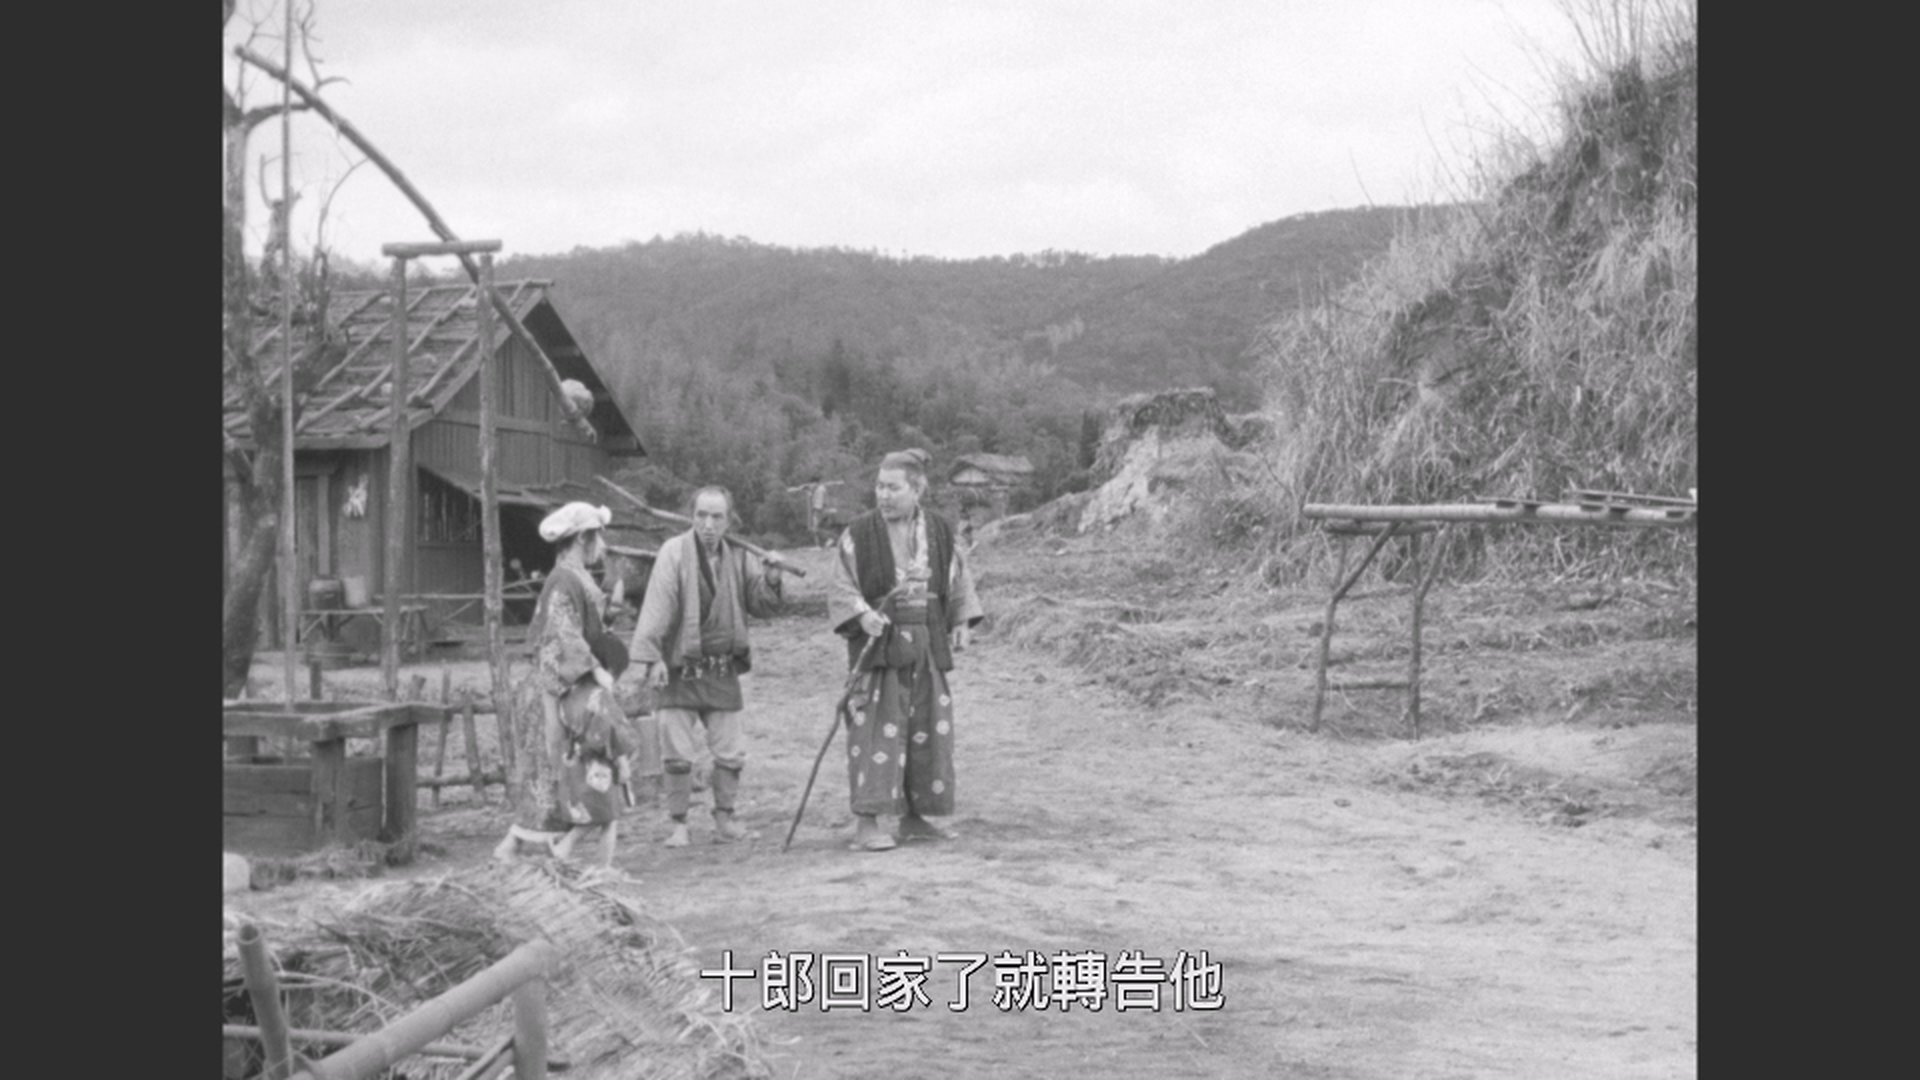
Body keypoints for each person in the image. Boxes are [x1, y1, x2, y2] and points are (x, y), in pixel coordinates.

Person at [827, 449, 984, 852]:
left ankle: (914, 818)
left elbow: (958, 577)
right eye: (879, 487)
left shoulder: (939, 530)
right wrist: (862, 617)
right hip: (880, 642)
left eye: (893, 488)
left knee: (926, 729)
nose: (883, 495)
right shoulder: (858, 534)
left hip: (927, 641)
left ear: (917, 489)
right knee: (875, 728)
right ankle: (867, 823)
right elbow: (841, 586)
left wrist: (961, 621)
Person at [629, 486, 789, 847]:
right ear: (692, 516)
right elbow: (658, 605)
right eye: (701, 515)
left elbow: (762, 604)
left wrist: (773, 578)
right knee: (677, 751)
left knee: (731, 750)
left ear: (729, 520)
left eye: (717, 517)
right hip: (679, 668)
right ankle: (679, 825)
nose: (708, 524)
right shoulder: (673, 552)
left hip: (722, 669)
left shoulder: (739, 556)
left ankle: (725, 818)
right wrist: (653, 658)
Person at [492, 502, 634, 868]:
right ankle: (516, 849)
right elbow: (561, 634)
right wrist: (592, 670)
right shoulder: (563, 579)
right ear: (582, 538)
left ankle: (522, 849)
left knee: (557, 774)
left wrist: (609, 617)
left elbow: (585, 624)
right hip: (554, 689)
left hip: (567, 685)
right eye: (597, 536)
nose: (602, 544)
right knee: (547, 772)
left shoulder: (576, 577)